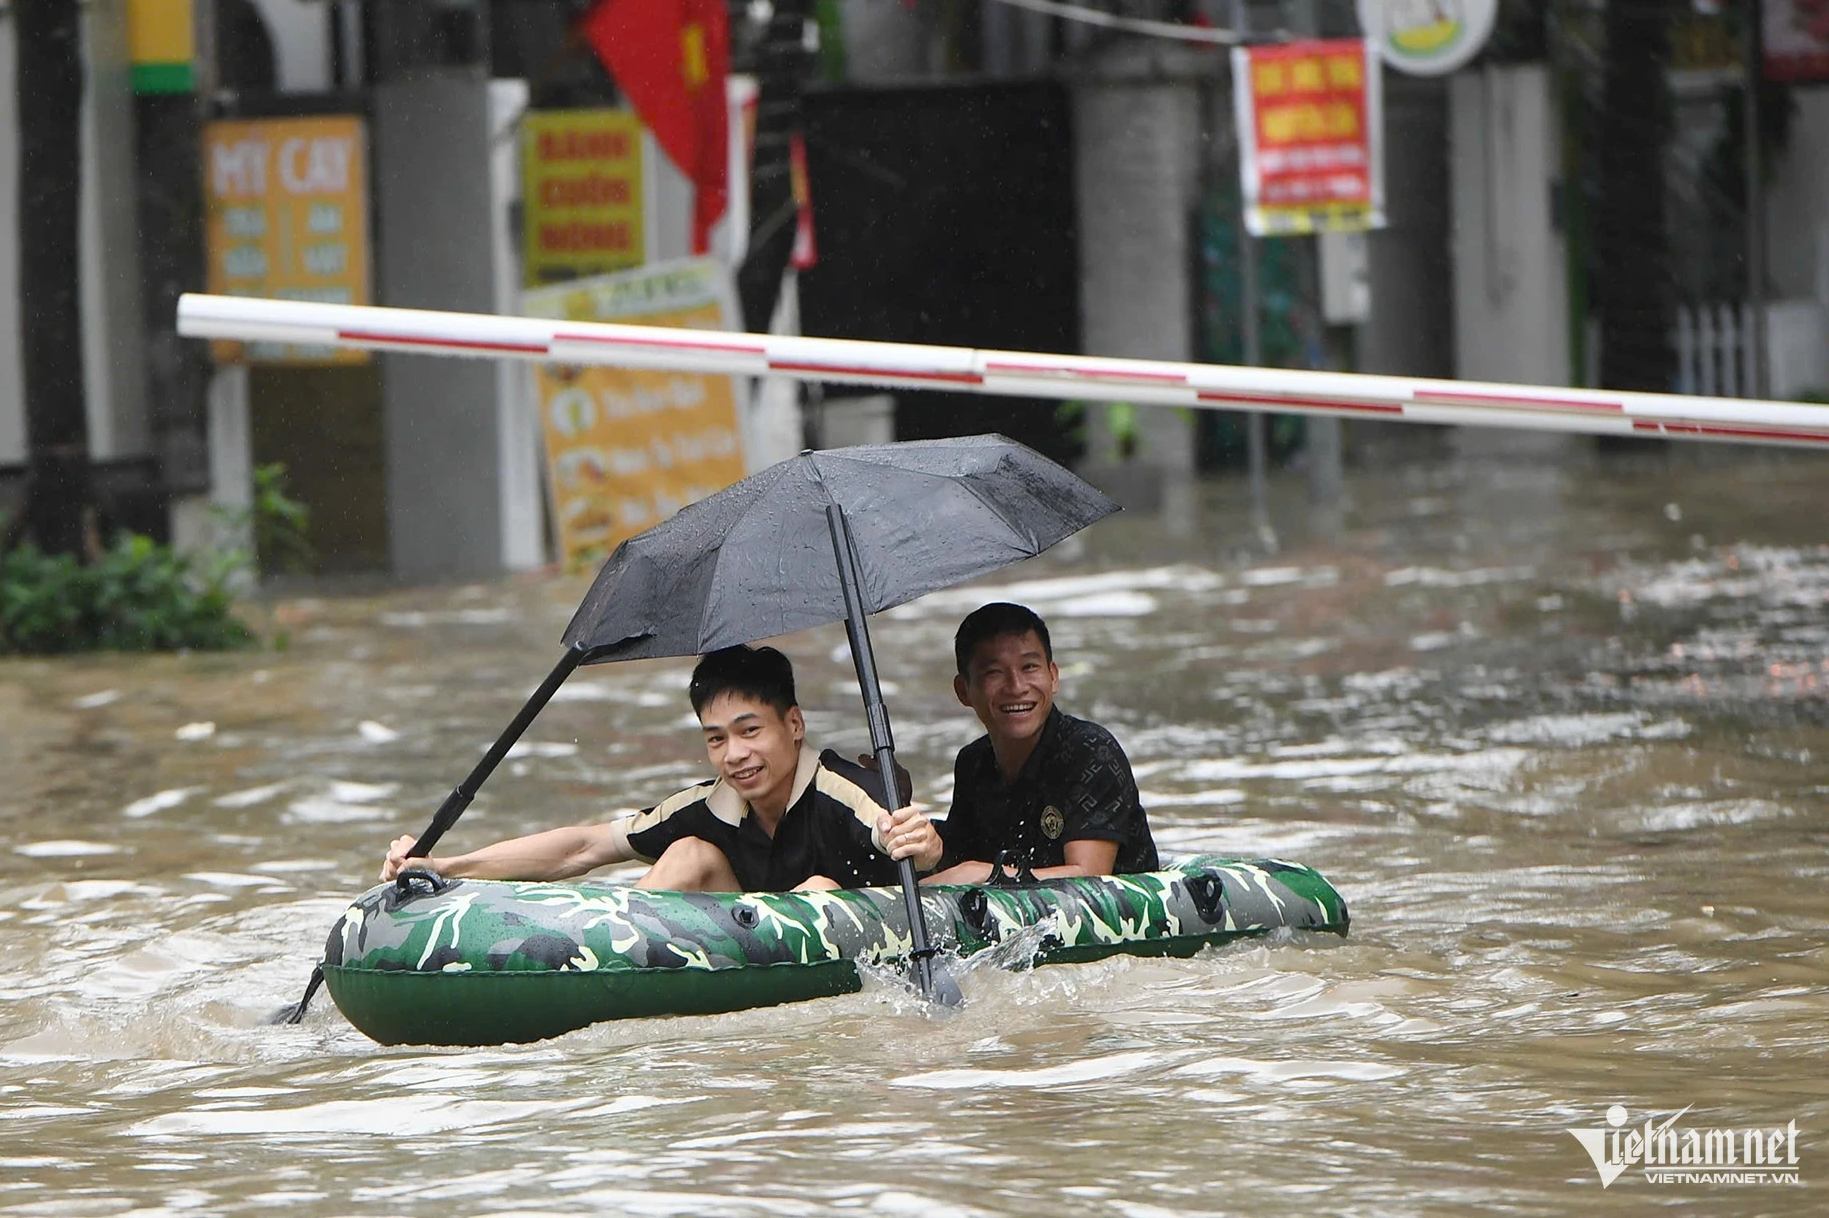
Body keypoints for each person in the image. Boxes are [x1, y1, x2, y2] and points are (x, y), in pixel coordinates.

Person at [380, 645, 942, 892]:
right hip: (754, 946)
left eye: (750, 731)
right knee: (689, 854)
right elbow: (584, 847)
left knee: (819, 887)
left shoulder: (848, 791)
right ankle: (612, 966)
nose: (734, 755)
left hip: (865, 929)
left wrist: (922, 843)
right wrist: (445, 865)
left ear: (793, 724)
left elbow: (915, 843)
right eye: (716, 739)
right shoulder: (709, 806)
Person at [925, 602, 1159, 884]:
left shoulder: (1092, 751)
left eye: (1029, 667)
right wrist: (909, 826)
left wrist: (984, 873)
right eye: (994, 673)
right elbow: (956, 861)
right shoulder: (973, 762)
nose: (1016, 687)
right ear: (963, 691)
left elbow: (1089, 876)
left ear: (1053, 676)